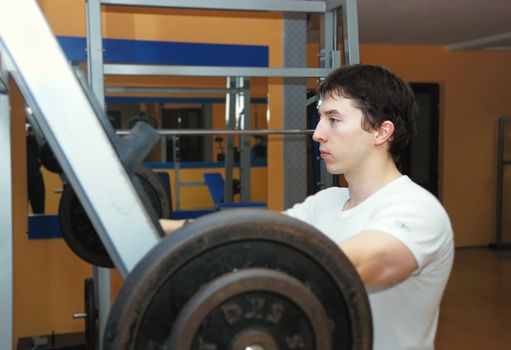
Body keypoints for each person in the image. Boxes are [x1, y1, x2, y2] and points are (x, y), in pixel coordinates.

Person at [160, 64, 454, 350]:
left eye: (334, 119)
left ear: (381, 132)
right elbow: (256, 235)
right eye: (320, 118)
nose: (317, 134)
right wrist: (153, 228)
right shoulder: (326, 202)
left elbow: (347, 266)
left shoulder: (417, 209)